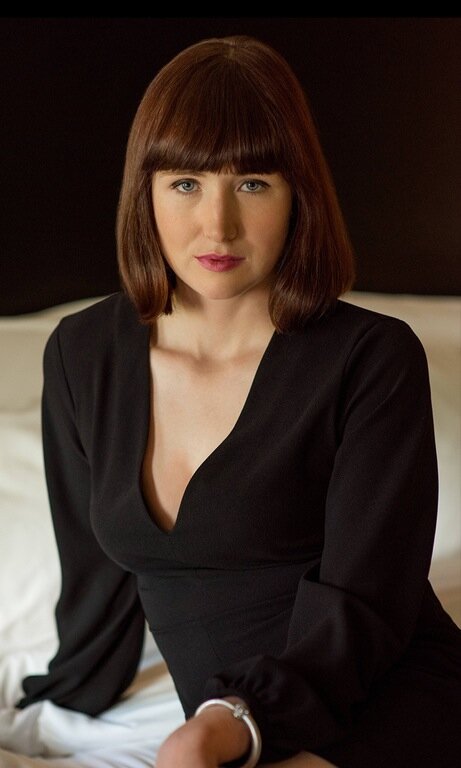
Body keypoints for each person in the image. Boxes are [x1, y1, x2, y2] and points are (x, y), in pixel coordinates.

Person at [15, 34, 461, 768]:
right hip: (223, 726)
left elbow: (368, 603)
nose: (216, 225)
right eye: (185, 183)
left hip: (380, 693)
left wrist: (229, 721)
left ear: (298, 195)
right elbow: (95, 577)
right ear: (145, 191)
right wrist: (58, 701)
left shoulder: (371, 359)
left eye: (252, 183)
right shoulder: (82, 354)